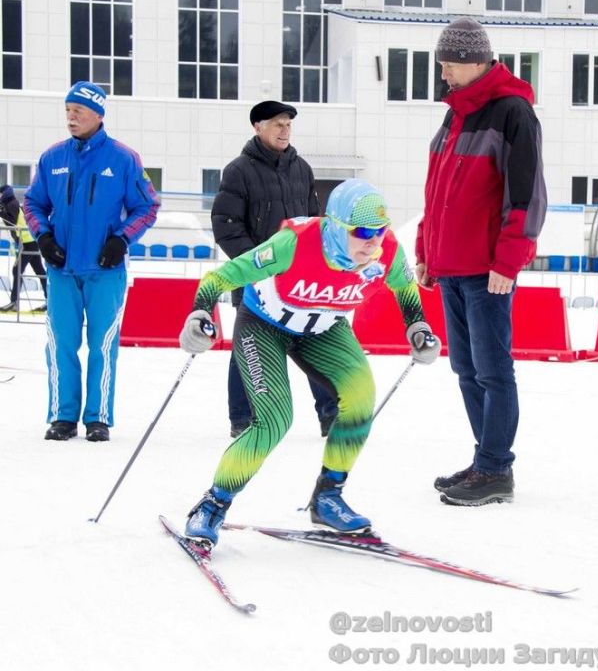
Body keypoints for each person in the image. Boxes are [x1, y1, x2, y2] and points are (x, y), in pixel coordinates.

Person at [179, 179, 440, 549]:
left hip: (322, 328)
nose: (374, 241)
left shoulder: (387, 253)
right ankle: (212, 504)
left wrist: (417, 324)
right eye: (363, 231)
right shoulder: (293, 243)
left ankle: (329, 496)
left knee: (361, 395)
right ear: (334, 226)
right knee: (274, 420)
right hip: (264, 325)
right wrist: (199, 313)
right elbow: (221, 277)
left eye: (380, 231)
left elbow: (405, 288)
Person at [416, 18, 547, 507]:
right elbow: (437, 193)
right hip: (451, 267)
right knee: (467, 370)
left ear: (473, 61)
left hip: (488, 270)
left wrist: (508, 261)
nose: (444, 75)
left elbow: (527, 195)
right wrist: (427, 250)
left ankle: (496, 469)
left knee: (494, 371)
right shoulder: (455, 115)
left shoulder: (513, 112)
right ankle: (483, 461)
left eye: (448, 66)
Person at [23, 81, 160, 442]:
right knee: (61, 344)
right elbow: (33, 203)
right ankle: (63, 416)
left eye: (79, 111)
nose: (71, 117)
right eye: (68, 110)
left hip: (105, 271)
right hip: (62, 270)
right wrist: (44, 236)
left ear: (98, 114)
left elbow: (148, 206)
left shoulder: (123, 158)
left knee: (102, 344)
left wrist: (122, 238)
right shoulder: (52, 158)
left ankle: (97, 417)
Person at [212, 100, 338, 439]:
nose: (284, 130)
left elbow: (315, 224)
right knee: (248, 349)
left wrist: (318, 264)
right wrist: (258, 267)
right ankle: (242, 417)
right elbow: (226, 225)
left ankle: (330, 413)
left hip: (299, 281)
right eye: (277, 124)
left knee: (314, 341)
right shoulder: (238, 171)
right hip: (256, 280)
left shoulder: (302, 169)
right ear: (258, 127)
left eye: (288, 124)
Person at [0, 184, 47, 312]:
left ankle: (14, 302)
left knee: (17, 269)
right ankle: (50, 300)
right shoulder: (10, 202)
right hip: (30, 241)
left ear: (3, 193)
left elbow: (13, 220)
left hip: (26, 242)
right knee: (40, 271)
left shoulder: (11, 203)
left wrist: (1, 212)